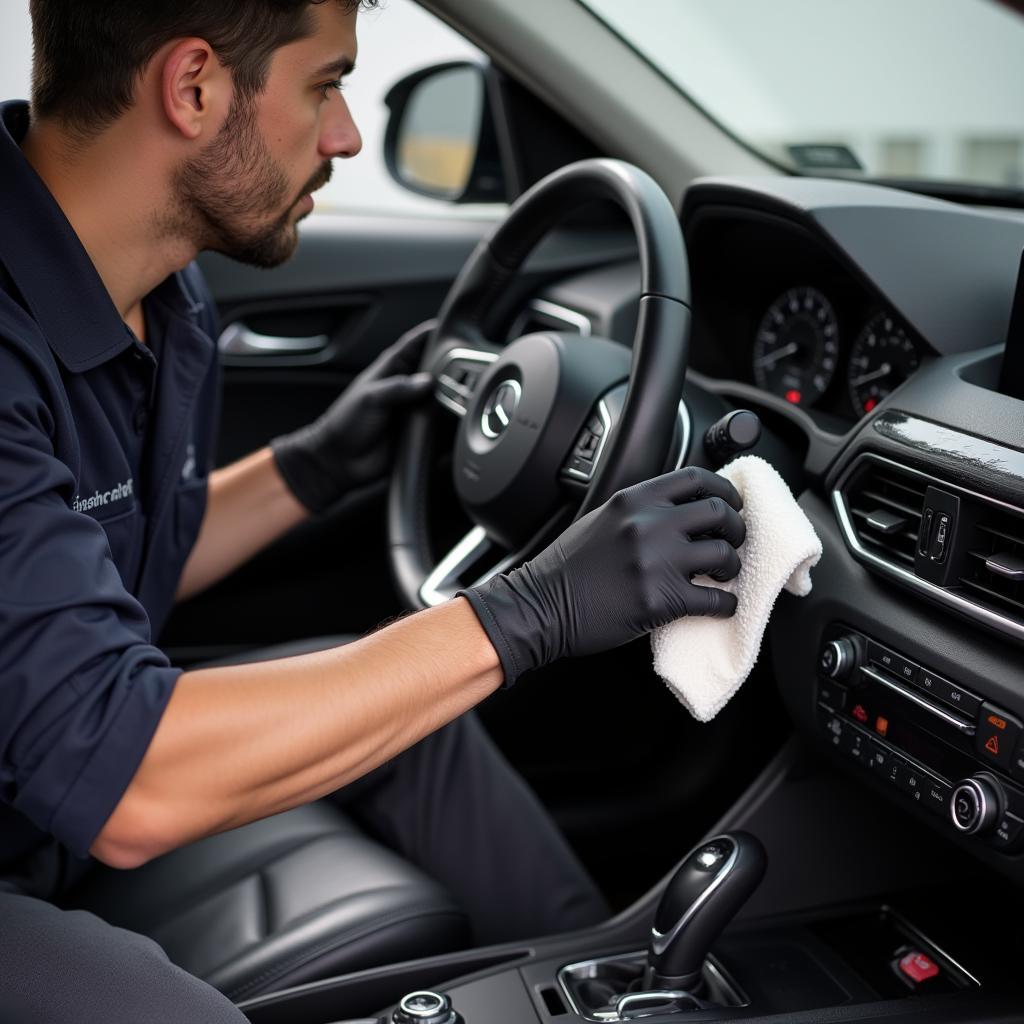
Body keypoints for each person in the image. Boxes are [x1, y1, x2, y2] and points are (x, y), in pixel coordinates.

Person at [0, 0, 746, 1019]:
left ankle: (597, 982)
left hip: (37, 783)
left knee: (414, 722)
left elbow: (131, 546)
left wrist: (313, 463)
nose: (347, 133)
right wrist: (530, 609)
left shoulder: (161, 293)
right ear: (193, 88)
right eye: (326, 84)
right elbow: (128, 780)